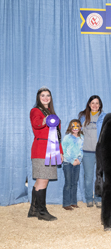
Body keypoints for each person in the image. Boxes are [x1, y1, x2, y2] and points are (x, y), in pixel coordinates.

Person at [28, 86, 63, 221]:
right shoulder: (36, 111)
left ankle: (34, 210)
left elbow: (57, 136)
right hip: (41, 150)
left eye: (48, 95)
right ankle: (42, 212)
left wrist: (60, 152)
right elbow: (36, 124)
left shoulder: (52, 114)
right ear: (38, 97)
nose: (45, 97)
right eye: (43, 95)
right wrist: (44, 120)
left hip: (51, 151)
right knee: (43, 180)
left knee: (40, 180)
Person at [78, 95, 106, 208]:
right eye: (92, 103)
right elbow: (78, 134)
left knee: (100, 177)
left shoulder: (104, 117)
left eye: (97, 103)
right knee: (88, 177)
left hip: (100, 152)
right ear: (89, 104)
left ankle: (99, 198)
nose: (95, 105)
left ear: (100, 105)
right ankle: (89, 198)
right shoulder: (83, 117)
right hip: (87, 152)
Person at [61, 119, 84, 210]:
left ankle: (73, 202)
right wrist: (71, 161)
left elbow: (82, 150)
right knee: (68, 183)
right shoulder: (67, 137)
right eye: (73, 126)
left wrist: (79, 160)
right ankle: (66, 203)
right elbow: (63, 151)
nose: (75, 128)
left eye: (77, 126)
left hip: (77, 163)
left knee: (74, 183)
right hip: (67, 163)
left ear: (80, 127)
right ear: (70, 128)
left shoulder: (82, 137)